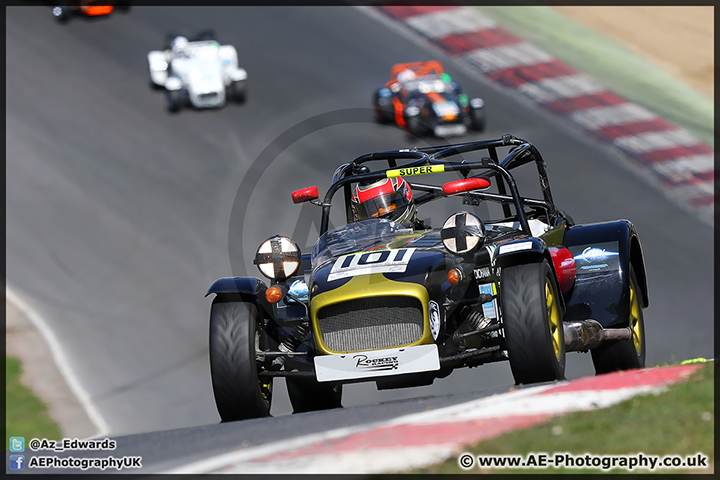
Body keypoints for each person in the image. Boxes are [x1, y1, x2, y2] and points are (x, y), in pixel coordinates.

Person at [350, 177, 422, 228]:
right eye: (373, 211)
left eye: (389, 206)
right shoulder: (355, 244)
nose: (381, 213)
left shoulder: (426, 238)